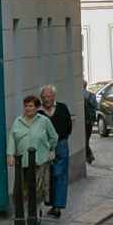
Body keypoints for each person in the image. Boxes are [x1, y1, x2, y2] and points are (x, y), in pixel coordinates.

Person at [8, 94, 52, 225]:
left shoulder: (43, 121)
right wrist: (10, 154)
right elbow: (12, 138)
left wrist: (47, 148)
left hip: (40, 161)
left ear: (37, 107)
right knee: (24, 189)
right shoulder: (18, 121)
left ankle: (36, 214)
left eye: (31, 106)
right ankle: (28, 212)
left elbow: (54, 137)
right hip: (23, 162)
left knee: (37, 188)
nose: (28, 108)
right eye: (26, 106)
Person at [43, 84, 74, 217]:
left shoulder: (62, 108)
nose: (46, 99)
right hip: (44, 146)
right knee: (47, 175)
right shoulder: (39, 111)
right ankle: (50, 202)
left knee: (59, 174)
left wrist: (62, 137)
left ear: (54, 96)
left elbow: (68, 126)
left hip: (61, 143)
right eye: (43, 97)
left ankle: (57, 206)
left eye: (49, 96)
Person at [84, 85, 98, 167]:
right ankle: (87, 154)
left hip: (83, 119)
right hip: (90, 119)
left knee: (84, 138)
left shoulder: (80, 95)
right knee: (87, 137)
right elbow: (95, 105)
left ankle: (88, 154)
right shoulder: (91, 95)